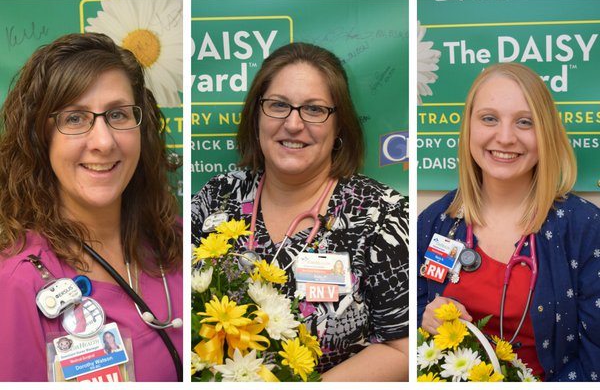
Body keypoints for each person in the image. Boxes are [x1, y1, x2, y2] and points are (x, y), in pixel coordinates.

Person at [192, 42, 409, 381]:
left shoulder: (383, 216)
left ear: (339, 126)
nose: (293, 124)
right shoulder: (217, 197)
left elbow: (402, 348)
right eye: (278, 105)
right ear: (256, 116)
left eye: (314, 109)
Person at [0, 33, 183, 381]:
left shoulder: (174, 241)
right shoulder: (17, 283)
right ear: (41, 138)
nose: (103, 141)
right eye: (75, 118)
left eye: (117, 114)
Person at [417, 62, 600, 381]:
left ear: (546, 132)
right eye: (489, 118)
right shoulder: (436, 222)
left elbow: (595, 359)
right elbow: (403, 325)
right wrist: (425, 318)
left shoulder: (584, 228)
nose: (505, 137)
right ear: (469, 127)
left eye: (524, 122)